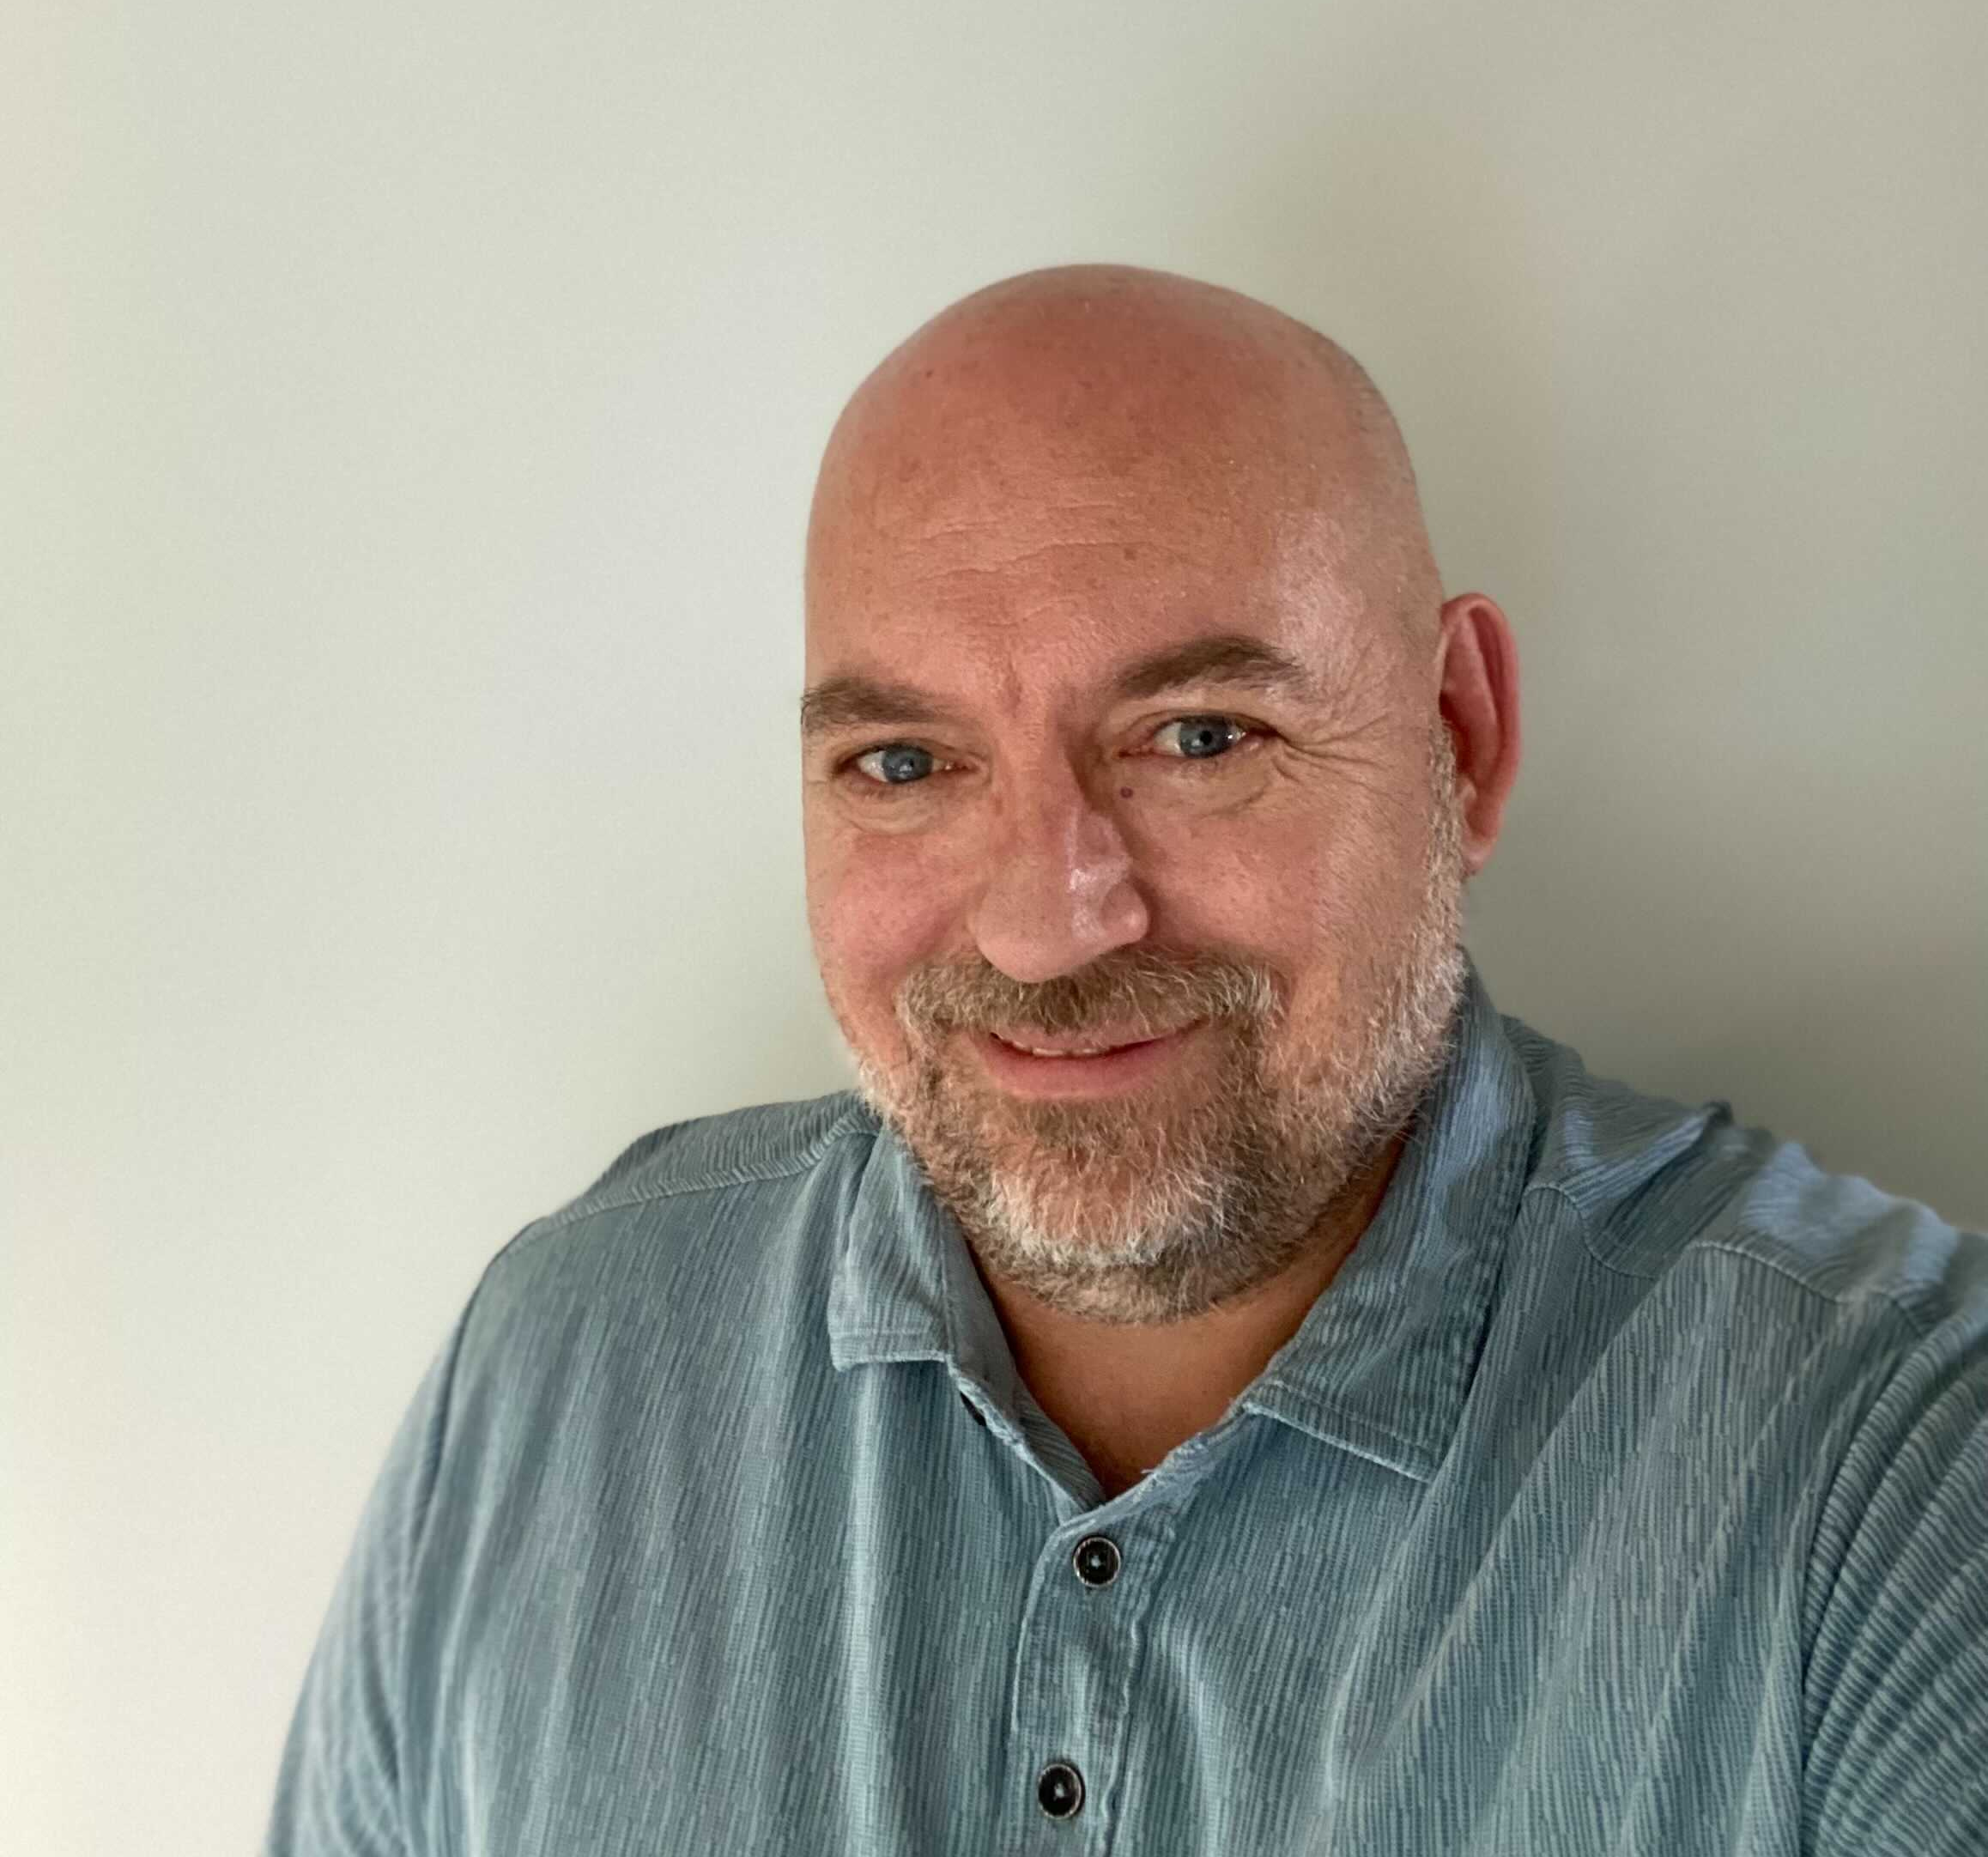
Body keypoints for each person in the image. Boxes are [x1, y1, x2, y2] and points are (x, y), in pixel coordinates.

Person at [265, 265, 1987, 1854]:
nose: (1045, 926)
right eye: (901, 763)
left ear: (1458, 740)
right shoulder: (561, 1371)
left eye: (1197, 735)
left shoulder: (1890, 1481)